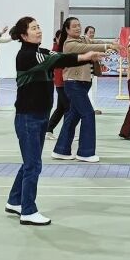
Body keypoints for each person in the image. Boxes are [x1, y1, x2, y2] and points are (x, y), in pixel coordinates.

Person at [7, 16, 103, 226]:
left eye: (38, 27)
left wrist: (87, 56)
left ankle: (15, 201)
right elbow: (59, 60)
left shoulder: (41, 52)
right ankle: (28, 211)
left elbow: (61, 57)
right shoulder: (27, 55)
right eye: (34, 28)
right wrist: (86, 55)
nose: (39, 30)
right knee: (33, 165)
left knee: (30, 162)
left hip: (40, 115)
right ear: (24, 35)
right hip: (28, 117)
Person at [51, 17, 118, 162]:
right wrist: (108, 46)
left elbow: (93, 42)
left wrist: (111, 43)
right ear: (67, 29)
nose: (78, 28)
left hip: (83, 83)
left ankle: (61, 150)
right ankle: (85, 152)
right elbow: (87, 48)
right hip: (73, 84)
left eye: (79, 25)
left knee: (72, 117)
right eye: (74, 26)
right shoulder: (69, 44)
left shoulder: (83, 39)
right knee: (88, 114)